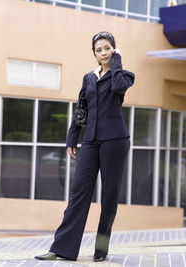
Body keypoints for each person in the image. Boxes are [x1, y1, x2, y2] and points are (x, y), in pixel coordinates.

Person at [35, 31, 135, 262]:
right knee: (78, 194)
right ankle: (62, 249)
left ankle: (101, 250)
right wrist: (72, 138)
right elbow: (81, 109)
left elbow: (119, 88)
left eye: (107, 48)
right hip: (90, 141)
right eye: (98, 49)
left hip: (115, 141)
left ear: (114, 50)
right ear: (94, 53)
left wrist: (117, 61)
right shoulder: (89, 78)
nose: (103, 53)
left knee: (109, 197)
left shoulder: (124, 75)